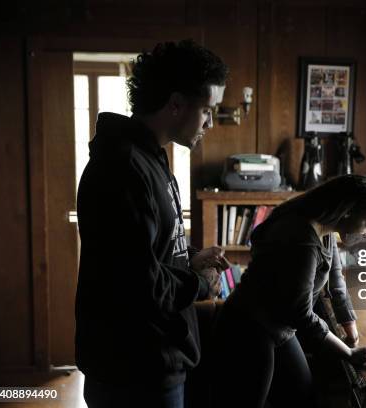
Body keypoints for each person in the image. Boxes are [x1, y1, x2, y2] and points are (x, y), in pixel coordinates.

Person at [75, 40, 230, 408]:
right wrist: (199, 283)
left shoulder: (151, 158)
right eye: (207, 110)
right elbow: (137, 285)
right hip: (134, 368)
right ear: (176, 104)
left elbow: (146, 254)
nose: (210, 123)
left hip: (155, 357)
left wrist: (188, 259)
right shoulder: (123, 168)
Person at [212, 174, 366, 408]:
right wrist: (349, 353)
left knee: (302, 396)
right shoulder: (302, 239)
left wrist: (352, 334)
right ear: (348, 211)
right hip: (251, 327)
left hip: (280, 327)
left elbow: (337, 284)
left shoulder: (326, 231)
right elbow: (300, 314)